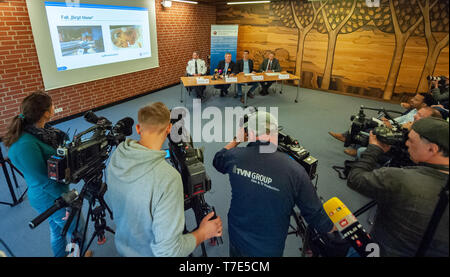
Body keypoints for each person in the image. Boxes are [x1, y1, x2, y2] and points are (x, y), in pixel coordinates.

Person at [105, 102, 222, 257]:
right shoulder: (168, 178)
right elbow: (169, 252)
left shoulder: (117, 156)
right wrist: (203, 232)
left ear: (138, 129)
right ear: (168, 130)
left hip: (124, 247)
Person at [212, 111, 334, 257]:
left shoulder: (235, 156)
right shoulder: (296, 171)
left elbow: (218, 160)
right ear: (276, 132)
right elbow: (317, 218)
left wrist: (236, 140)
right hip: (269, 248)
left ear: (250, 134)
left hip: (237, 237)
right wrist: (335, 229)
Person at [347, 117, 449, 257]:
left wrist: (374, 149)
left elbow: (355, 178)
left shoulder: (399, 179)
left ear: (432, 148)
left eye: (412, 140)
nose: (406, 143)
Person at [3, 91, 86, 257]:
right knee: (77, 229)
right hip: (50, 196)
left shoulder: (41, 131)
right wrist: (68, 199)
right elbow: (44, 181)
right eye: (52, 105)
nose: (54, 107)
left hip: (52, 193)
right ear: (46, 112)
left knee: (57, 230)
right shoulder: (25, 145)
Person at [329, 93, 437, 156]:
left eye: (416, 99)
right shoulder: (414, 111)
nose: (412, 100)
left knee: (371, 128)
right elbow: (401, 118)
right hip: (393, 125)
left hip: (397, 132)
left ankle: (358, 148)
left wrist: (391, 126)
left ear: (424, 104)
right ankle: (346, 137)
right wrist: (389, 121)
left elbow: (405, 129)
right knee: (362, 120)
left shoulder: (423, 118)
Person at [355, 106, 443, 160]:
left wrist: (404, 131)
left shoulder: (424, 135)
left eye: (420, 116)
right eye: (418, 113)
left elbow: (404, 150)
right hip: (395, 150)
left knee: (361, 151)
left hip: (400, 158)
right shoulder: (414, 126)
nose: (415, 116)